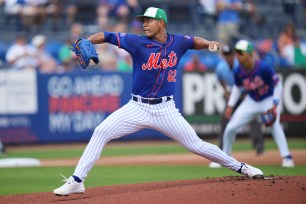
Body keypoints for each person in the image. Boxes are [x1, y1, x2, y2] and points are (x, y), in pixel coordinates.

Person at [53, 7, 264, 196]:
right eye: (143, 21)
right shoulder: (137, 42)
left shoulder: (177, 41)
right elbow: (107, 35)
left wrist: (208, 43)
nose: (144, 24)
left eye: (149, 20)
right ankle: (77, 181)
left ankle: (242, 167)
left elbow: (193, 41)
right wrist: (88, 40)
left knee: (197, 145)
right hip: (137, 107)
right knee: (101, 131)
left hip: (166, 109)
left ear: (161, 23)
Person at [220, 40, 295, 169]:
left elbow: (277, 84)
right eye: (236, 53)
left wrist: (275, 103)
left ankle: (287, 157)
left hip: (267, 99)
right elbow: (237, 88)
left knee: (275, 126)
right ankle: (224, 158)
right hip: (252, 100)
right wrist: (230, 105)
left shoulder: (263, 67)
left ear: (249, 54)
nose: (237, 55)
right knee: (230, 128)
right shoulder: (239, 70)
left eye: (240, 53)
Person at [209, 45, 264, 168]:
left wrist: (247, 93)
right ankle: (222, 149)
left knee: (252, 119)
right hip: (233, 96)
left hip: (245, 94)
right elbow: (220, 79)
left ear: (233, 55)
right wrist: (226, 91)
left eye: (229, 55)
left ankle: (259, 146)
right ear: (223, 56)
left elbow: (250, 79)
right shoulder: (221, 67)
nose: (228, 57)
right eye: (226, 55)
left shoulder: (240, 66)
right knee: (224, 120)